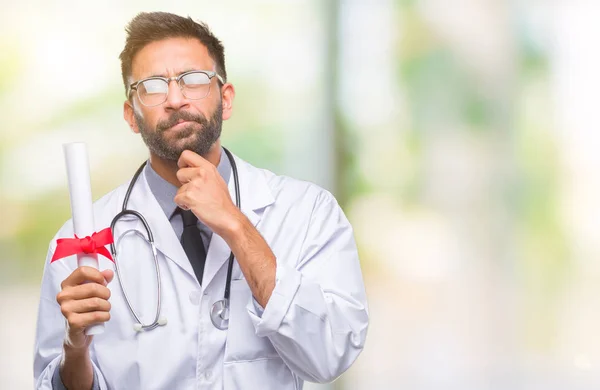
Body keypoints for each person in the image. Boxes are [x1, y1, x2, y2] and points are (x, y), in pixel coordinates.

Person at [33, 11, 368, 390]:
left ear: (225, 100)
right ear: (131, 115)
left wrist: (236, 225)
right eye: (154, 86)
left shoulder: (307, 212)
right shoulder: (80, 242)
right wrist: (74, 347)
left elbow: (331, 356)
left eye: (193, 80)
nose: (175, 99)